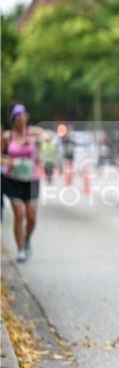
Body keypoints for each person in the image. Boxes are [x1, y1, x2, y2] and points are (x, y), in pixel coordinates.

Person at [1, 105, 46, 262]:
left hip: (32, 179)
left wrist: (36, 139)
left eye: (23, 115)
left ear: (27, 117)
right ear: (13, 120)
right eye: (17, 116)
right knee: (19, 215)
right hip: (13, 179)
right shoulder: (7, 137)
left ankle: (27, 241)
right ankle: (20, 249)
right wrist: (7, 160)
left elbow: (46, 136)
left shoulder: (34, 133)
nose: (21, 118)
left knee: (32, 217)